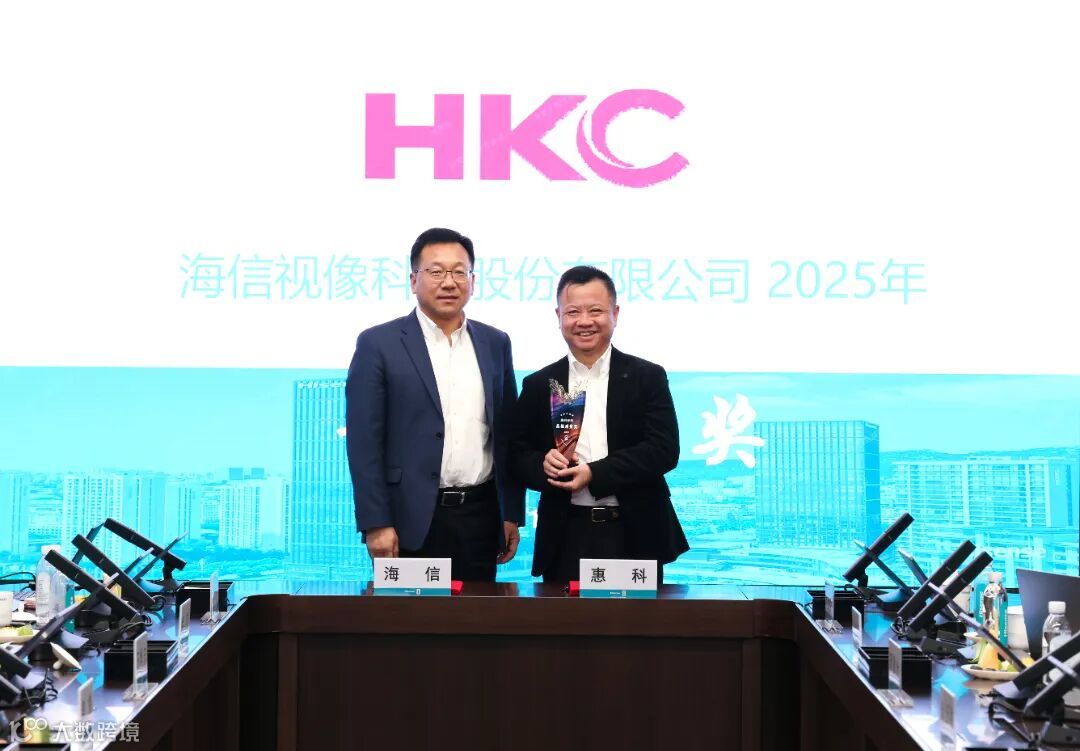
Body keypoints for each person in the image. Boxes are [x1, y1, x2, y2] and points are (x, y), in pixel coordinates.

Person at [346, 228, 524, 581]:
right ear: (414, 280)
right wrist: (376, 522)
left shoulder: (495, 342)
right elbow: (364, 443)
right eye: (436, 271)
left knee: (477, 615)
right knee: (410, 616)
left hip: (480, 518)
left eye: (459, 272)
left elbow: (507, 436)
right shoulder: (378, 343)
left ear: (473, 281)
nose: (449, 282)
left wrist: (511, 513)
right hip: (408, 521)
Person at [510, 265, 688, 583]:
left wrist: (595, 473)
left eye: (595, 311)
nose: (584, 321)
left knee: (637, 616)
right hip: (565, 534)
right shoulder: (539, 384)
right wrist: (541, 464)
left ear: (615, 314)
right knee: (565, 616)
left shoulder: (647, 377)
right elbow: (517, 454)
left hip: (635, 533)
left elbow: (663, 450)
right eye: (573, 312)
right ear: (559, 316)